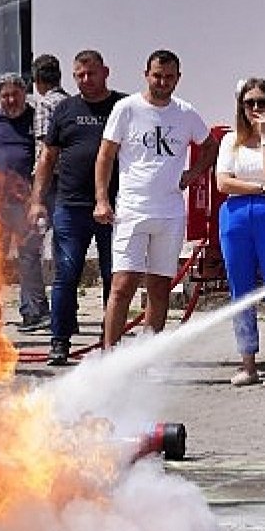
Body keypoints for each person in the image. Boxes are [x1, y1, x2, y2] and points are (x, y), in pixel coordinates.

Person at [95, 50, 218, 349]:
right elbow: (105, 155)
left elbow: (211, 146)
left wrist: (193, 174)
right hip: (132, 209)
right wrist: (101, 198)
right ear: (146, 74)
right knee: (122, 285)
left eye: (169, 77)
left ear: (178, 78)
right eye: (157, 75)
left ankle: (147, 355)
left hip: (170, 212)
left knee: (160, 287)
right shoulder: (126, 109)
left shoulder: (186, 113)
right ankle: (109, 353)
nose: (162, 82)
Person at [28, 51, 126, 366]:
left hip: (116, 209)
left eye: (91, 74)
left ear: (105, 71)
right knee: (66, 275)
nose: (86, 80)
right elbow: (47, 158)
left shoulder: (122, 107)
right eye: (80, 75)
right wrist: (37, 201)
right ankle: (60, 341)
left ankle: (111, 343)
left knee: (116, 278)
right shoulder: (65, 110)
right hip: (70, 207)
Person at [216, 78, 265, 388]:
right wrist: (261, 186)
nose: (255, 108)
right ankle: (247, 363)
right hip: (235, 215)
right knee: (241, 291)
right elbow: (223, 183)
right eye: (249, 103)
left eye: (261, 102)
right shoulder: (230, 141)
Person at [0, 73, 49, 331]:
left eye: (15, 94)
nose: (10, 100)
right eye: (5, 96)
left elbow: (45, 155)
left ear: (24, 94)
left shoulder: (35, 120)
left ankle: (35, 311)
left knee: (29, 256)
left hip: (26, 201)